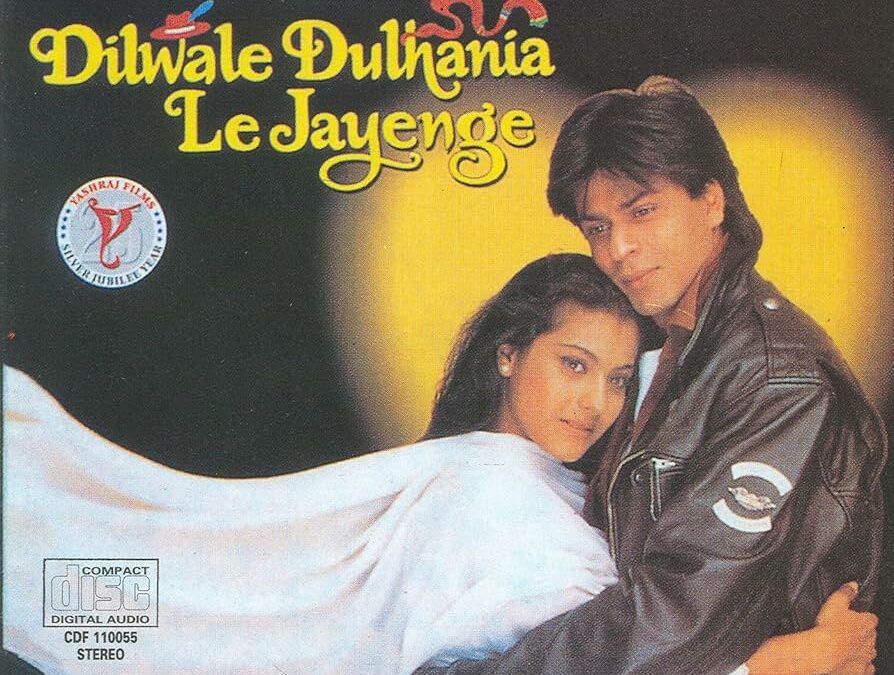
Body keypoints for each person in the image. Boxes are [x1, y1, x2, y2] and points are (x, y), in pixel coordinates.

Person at [3, 254, 870, 674]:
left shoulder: (496, 477)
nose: (594, 403)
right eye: (573, 364)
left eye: (616, 379)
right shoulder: (492, 492)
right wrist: (779, 664)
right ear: (508, 354)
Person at [413, 77, 886, 675]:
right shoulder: (642, 354)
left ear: (711, 202)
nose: (619, 249)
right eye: (598, 228)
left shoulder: (777, 380)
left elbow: (672, 619)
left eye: (642, 211)